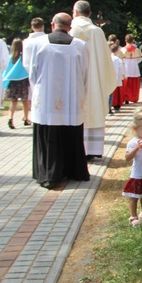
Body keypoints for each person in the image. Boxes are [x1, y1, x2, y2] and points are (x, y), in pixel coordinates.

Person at [29, 13, 89, 189]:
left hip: (46, 99)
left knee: (48, 135)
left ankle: (47, 173)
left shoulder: (38, 43)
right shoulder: (79, 45)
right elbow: (84, 73)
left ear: (52, 24)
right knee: (70, 132)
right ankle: (74, 170)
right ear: (70, 26)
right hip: (71, 99)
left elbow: (33, 72)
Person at [70, 0, 117, 159]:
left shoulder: (71, 31)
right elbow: (105, 59)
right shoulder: (97, 32)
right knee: (94, 109)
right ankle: (93, 150)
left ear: (75, 12)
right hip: (95, 80)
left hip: (76, 80)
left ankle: (78, 149)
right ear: (89, 13)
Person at [2, 38, 31, 128]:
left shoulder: (10, 57)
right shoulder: (23, 57)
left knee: (13, 101)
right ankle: (26, 118)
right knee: (25, 100)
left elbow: (6, 70)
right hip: (23, 81)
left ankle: (10, 118)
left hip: (12, 81)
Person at [120, 34, 142, 104]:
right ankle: (134, 98)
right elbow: (140, 59)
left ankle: (126, 98)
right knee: (134, 85)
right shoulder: (136, 49)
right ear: (132, 40)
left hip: (126, 69)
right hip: (134, 69)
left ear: (125, 40)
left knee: (126, 85)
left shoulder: (122, 50)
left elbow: (121, 60)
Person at [109, 43, 125, 113]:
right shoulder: (118, 59)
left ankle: (109, 106)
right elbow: (121, 68)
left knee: (110, 92)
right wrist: (123, 75)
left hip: (109, 77)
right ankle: (117, 105)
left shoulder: (108, 58)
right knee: (117, 92)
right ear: (117, 50)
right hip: (117, 77)